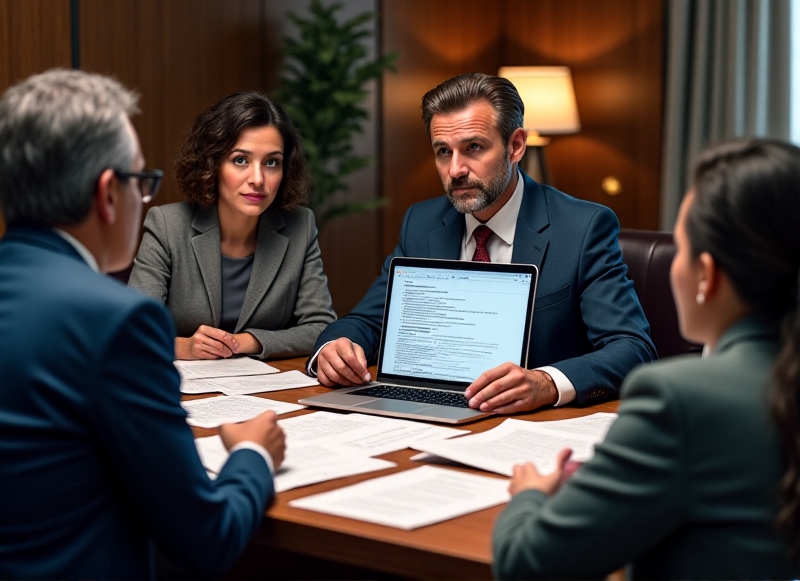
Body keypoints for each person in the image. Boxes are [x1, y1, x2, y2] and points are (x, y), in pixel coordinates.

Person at [0, 69, 286, 578]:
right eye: (141, 182)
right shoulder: (117, 321)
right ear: (109, 193)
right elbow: (208, 537)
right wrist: (252, 456)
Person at [492, 138, 800, 579]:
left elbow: (524, 565)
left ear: (706, 275)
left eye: (681, 245)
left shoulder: (679, 399)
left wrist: (530, 494)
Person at [311, 72, 655, 413]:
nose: (456, 169)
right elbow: (370, 321)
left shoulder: (582, 228)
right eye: (443, 151)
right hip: (426, 412)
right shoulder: (422, 222)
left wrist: (547, 383)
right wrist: (335, 347)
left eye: (473, 148)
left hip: (528, 425)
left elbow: (632, 347)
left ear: (515, 145)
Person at [128, 91, 336, 360]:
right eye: (241, 160)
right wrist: (184, 347)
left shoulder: (300, 226)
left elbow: (320, 327)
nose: (258, 179)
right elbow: (133, 329)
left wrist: (245, 342)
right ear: (212, 163)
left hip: (267, 390)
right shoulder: (167, 225)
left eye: (272, 162)